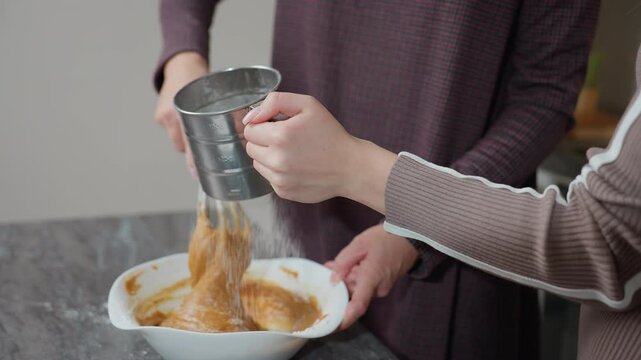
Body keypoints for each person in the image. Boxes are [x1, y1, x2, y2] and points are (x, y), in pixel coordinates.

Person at [154, 1, 599, 358]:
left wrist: (417, 227)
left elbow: (544, 98)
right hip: (308, 222)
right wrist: (183, 54)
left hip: (455, 252)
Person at [240, 46, 641, 360]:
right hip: (371, 230)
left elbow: (602, 240)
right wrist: (183, 54)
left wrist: (355, 171)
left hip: (463, 268)